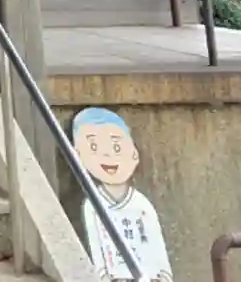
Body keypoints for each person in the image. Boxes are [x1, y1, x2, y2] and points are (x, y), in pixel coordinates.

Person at [71, 107, 174, 282]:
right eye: (94, 147)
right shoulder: (92, 206)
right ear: (78, 156)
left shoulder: (142, 205)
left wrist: (163, 276)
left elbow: (158, 251)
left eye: (116, 147)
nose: (107, 154)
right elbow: (96, 251)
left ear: (134, 154)